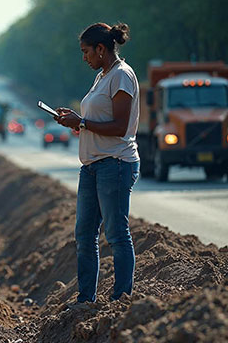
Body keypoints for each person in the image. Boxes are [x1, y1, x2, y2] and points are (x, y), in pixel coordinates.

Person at [55, 22, 140, 306]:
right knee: (84, 234)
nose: (84, 58)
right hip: (92, 166)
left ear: (101, 49)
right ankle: (85, 299)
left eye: (86, 52)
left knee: (116, 233)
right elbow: (96, 121)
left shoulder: (121, 76)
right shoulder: (103, 76)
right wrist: (77, 121)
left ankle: (121, 299)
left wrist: (80, 122)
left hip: (115, 164)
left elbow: (119, 126)